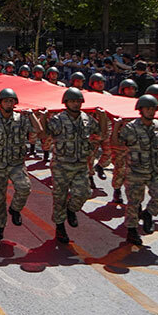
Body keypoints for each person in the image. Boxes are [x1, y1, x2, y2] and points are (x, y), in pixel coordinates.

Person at [40, 88, 105, 244]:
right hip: (61, 165)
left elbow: (101, 132)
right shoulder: (58, 119)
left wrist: (102, 116)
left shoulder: (87, 119)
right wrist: (42, 117)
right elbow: (44, 135)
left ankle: (72, 209)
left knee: (84, 193)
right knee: (59, 197)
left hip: (81, 165)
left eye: (78, 101)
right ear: (66, 102)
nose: (76, 104)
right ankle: (60, 227)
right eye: (72, 101)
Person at [0, 88, 39, 240]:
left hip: (16, 163)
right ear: (0, 103)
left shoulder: (22, 119)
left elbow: (39, 130)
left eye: (11, 101)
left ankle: (15, 209)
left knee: (24, 187)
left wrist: (31, 114)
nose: (9, 103)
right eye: (6, 100)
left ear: (15, 103)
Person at [113, 95, 158, 247]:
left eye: (153, 109)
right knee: (134, 202)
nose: (151, 112)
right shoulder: (131, 128)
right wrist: (116, 127)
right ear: (140, 110)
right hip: (135, 172)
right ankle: (132, 231)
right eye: (148, 109)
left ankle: (148, 214)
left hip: (154, 170)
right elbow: (117, 143)